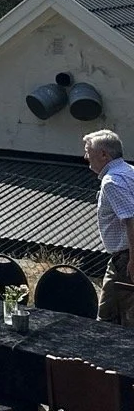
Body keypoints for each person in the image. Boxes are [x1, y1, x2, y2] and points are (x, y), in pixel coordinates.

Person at [85, 129, 134, 324]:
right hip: (124, 257)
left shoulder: (112, 181)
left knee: (108, 317)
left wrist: (132, 259)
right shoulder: (129, 172)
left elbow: (131, 219)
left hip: (125, 258)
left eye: (88, 150)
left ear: (104, 154)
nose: (85, 156)